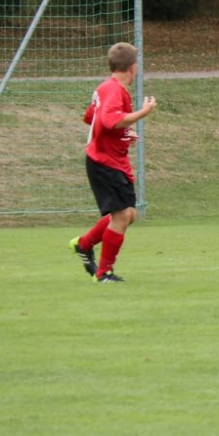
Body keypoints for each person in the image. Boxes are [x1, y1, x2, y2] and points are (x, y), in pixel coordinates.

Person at [69, 42, 156, 283]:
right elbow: (109, 120)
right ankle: (103, 273)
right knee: (121, 217)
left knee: (129, 214)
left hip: (111, 161)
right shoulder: (114, 90)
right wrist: (144, 112)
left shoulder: (107, 88)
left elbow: (92, 117)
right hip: (104, 162)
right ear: (132, 67)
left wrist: (125, 134)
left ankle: (85, 244)